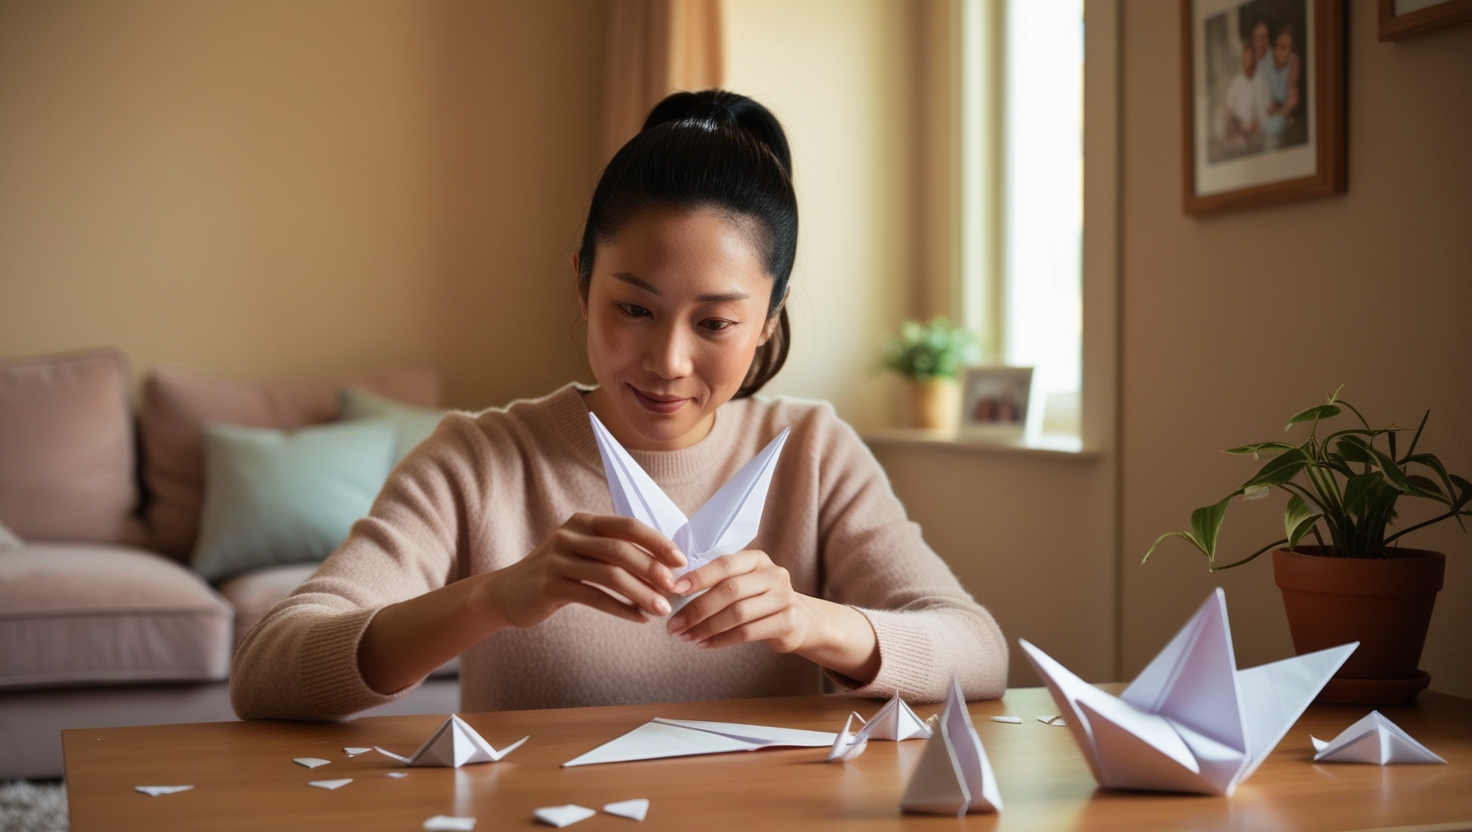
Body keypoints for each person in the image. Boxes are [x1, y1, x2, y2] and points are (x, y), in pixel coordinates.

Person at [230, 90, 1009, 721]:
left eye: (716, 323)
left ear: (769, 320)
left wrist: (812, 622)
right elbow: (268, 669)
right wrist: (494, 596)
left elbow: (978, 651)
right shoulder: (480, 458)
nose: (668, 362)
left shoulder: (811, 449)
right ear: (581, 282)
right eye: (633, 309)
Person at [1223, 40, 1269, 151]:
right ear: (1242, 60)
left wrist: (1256, 125)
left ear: (1255, 60)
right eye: (1246, 57)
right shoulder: (1236, 84)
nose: (1248, 61)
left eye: (1250, 57)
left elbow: (1267, 111)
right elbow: (1228, 111)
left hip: (1257, 132)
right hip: (1239, 131)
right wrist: (1237, 125)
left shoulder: (1262, 82)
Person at [1260, 23, 1301, 146]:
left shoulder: (1293, 61)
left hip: (1286, 124)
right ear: (1273, 48)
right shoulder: (1263, 66)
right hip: (1267, 128)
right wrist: (1282, 109)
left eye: (1290, 47)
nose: (1287, 52)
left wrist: (1282, 109)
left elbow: (1290, 103)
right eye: (1282, 47)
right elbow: (1266, 109)